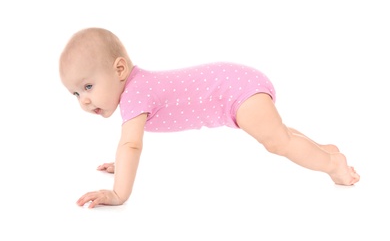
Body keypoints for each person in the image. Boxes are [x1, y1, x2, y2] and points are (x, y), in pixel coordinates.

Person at [59, 27, 360, 209]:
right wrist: (121, 164)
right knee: (278, 133)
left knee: (276, 141)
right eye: (75, 94)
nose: (84, 100)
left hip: (234, 90)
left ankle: (333, 164)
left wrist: (118, 192)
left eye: (88, 86)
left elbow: (131, 146)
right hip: (235, 83)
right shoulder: (136, 90)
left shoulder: (134, 95)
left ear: (120, 70)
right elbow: (128, 147)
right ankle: (326, 150)